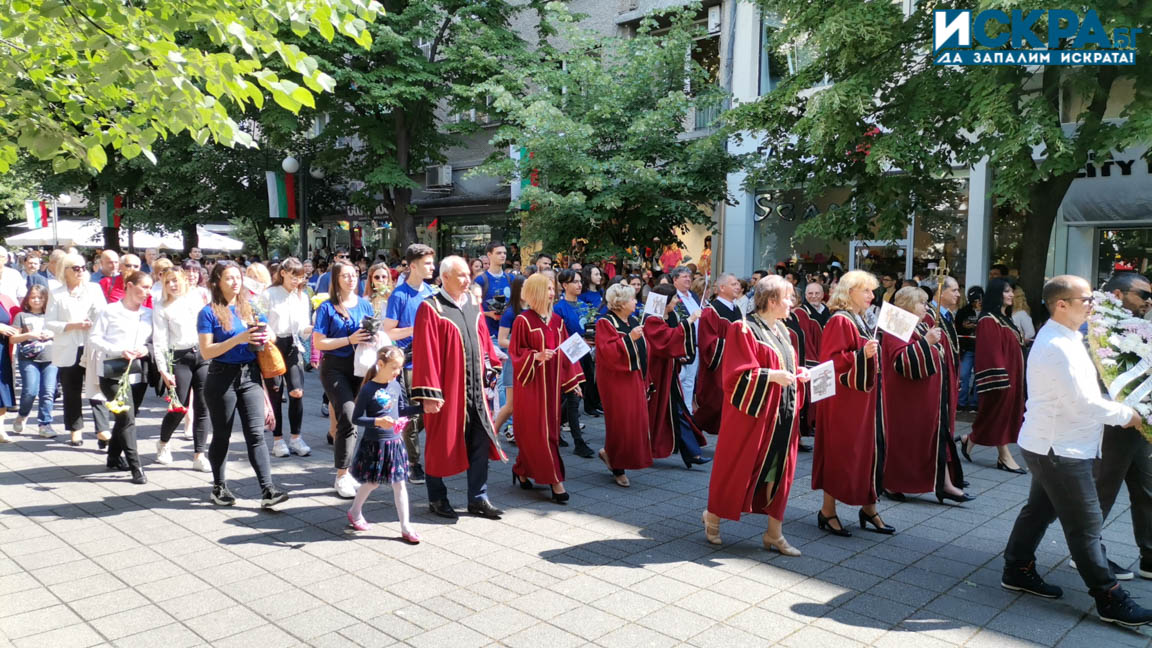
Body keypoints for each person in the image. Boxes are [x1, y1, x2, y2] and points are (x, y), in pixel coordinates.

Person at [1000, 275, 1152, 626]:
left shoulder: (1070, 337)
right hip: (1060, 449)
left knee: (1039, 511)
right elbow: (1084, 403)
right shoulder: (1057, 345)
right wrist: (1130, 415)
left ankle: (1017, 568)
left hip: (1054, 444)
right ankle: (1109, 597)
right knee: (1086, 525)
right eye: (1086, 299)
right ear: (1061, 304)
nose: (1093, 304)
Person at [703, 275, 808, 554]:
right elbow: (735, 376)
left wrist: (798, 373)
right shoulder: (743, 329)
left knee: (779, 472)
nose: (792, 303)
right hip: (754, 415)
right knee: (739, 468)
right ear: (772, 301)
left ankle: (774, 533)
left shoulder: (782, 330)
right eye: (787, 298)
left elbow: (783, 365)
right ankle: (713, 515)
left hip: (783, 413)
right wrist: (772, 376)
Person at [410, 256, 507, 520]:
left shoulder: (473, 303)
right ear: (445, 277)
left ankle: (478, 498)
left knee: (480, 441)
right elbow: (425, 353)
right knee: (440, 443)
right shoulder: (431, 308)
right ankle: (437, 497)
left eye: (468, 275)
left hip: (476, 389)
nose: (467, 280)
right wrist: (429, 393)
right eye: (461, 275)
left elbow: (483, 339)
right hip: (448, 390)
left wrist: (492, 365)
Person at [197, 261, 288, 508]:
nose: (235, 282)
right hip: (221, 377)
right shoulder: (208, 312)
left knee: (256, 434)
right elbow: (207, 351)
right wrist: (239, 338)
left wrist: (267, 335)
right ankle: (219, 487)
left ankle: (268, 490)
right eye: (229, 278)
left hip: (250, 376)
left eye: (238, 277)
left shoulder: (249, 307)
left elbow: (271, 334)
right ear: (217, 282)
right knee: (222, 434)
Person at [813, 270, 894, 536]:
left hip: (862, 399)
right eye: (866, 290)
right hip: (843, 402)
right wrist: (862, 354)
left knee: (868, 450)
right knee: (841, 451)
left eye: (872, 290)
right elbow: (832, 362)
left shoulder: (858, 318)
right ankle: (827, 511)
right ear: (850, 293)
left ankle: (869, 507)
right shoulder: (840, 320)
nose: (872, 295)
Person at [879, 287, 972, 504]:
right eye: (922, 303)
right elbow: (901, 361)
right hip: (907, 400)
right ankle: (892, 483)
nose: (926, 308)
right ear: (909, 305)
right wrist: (926, 342)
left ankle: (944, 483)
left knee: (936, 438)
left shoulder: (919, 325)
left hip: (928, 398)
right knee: (907, 442)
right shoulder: (896, 324)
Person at [1094, 271, 1152, 580]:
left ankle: (1149, 556)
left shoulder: (1140, 326)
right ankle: (1090, 554)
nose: (1149, 302)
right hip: (1111, 422)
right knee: (1103, 489)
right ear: (1118, 295)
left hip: (1141, 422)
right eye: (1144, 295)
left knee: (1147, 488)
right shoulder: (1098, 327)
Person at [510, 274, 585, 503]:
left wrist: (573, 381)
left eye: (553, 289)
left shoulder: (557, 322)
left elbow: (567, 352)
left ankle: (521, 469)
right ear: (535, 292)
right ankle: (555, 481)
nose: (552, 293)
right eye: (548, 289)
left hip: (551, 386)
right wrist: (535, 356)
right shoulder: (523, 320)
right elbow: (516, 353)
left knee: (549, 431)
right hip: (531, 387)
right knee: (538, 433)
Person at [313, 260, 376, 498]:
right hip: (334, 368)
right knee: (348, 417)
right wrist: (349, 339)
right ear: (336, 279)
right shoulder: (327, 307)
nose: (351, 279)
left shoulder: (365, 304)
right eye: (346, 275)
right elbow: (319, 342)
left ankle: (349, 470)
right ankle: (341, 475)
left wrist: (372, 336)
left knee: (355, 419)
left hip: (361, 366)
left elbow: (371, 333)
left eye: (354, 274)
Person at [346, 346, 421, 543]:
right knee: (372, 482)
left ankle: (406, 527)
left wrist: (423, 408)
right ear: (380, 364)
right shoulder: (368, 389)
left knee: (400, 484)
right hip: (375, 444)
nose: (398, 372)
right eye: (394, 367)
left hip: (395, 443)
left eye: (400, 367)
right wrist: (377, 422)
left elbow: (402, 409)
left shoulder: (395, 384)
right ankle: (354, 511)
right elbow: (356, 418)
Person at [89, 270, 153, 484]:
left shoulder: (148, 313)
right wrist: (118, 350)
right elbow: (94, 339)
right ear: (129, 285)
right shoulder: (110, 310)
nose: (148, 292)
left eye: (150, 287)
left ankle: (113, 457)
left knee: (125, 417)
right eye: (144, 287)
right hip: (113, 372)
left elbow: (153, 341)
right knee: (127, 418)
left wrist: (145, 349)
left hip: (137, 373)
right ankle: (136, 467)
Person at [383, 243, 437, 485]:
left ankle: (402, 439)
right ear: (413, 266)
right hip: (409, 361)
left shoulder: (433, 292)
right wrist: (417, 328)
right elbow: (389, 331)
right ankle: (414, 463)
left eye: (433, 263)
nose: (432, 267)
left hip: (432, 359)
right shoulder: (399, 294)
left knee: (431, 409)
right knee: (413, 412)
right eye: (427, 263)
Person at [963, 277, 1027, 473]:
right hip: (1000, 378)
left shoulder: (1005, 318)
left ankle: (969, 440)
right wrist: (1000, 378)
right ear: (996, 294)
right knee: (998, 415)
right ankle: (1004, 456)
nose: (1011, 295)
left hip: (1013, 376)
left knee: (995, 415)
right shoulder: (988, 320)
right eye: (1006, 291)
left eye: (1011, 291)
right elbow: (990, 351)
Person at [151, 267, 212, 471]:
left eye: (176, 280)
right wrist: (163, 369)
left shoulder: (197, 298)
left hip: (202, 354)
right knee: (180, 406)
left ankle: (199, 455)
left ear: (185, 280)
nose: (172, 285)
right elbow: (159, 341)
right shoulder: (161, 307)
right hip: (179, 358)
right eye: (168, 282)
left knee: (203, 405)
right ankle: (163, 443)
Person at [644, 283, 710, 469]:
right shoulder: (651, 320)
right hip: (657, 375)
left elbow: (671, 339)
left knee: (677, 410)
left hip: (669, 373)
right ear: (665, 301)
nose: (677, 301)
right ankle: (691, 453)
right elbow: (665, 340)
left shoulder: (669, 316)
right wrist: (689, 321)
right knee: (669, 411)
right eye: (673, 298)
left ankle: (692, 453)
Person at [46, 252, 108, 447]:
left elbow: (104, 315)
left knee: (97, 387)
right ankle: (75, 429)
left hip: (92, 345)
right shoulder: (56, 292)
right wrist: (72, 325)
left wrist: (93, 321)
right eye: (75, 268)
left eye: (83, 267)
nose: (80, 271)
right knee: (71, 390)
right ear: (65, 271)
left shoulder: (94, 289)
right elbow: (49, 322)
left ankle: (102, 429)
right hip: (68, 347)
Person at [595, 283, 651, 488]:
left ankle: (610, 453)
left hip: (634, 377)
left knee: (634, 420)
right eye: (632, 298)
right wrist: (630, 338)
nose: (636, 302)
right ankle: (617, 466)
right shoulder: (606, 322)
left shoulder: (633, 320)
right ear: (621, 303)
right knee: (620, 422)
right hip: (615, 381)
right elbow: (607, 353)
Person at [262, 258, 313, 459]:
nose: (296, 281)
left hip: (293, 344)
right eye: (293, 276)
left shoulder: (302, 296)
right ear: (283, 273)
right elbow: (259, 319)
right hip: (273, 344)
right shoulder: (269, 294)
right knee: (275, 392)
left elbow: (303, 327)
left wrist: (312, 328)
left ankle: (296, 437)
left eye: (300, 277)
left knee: (296, 391)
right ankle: (277, 439)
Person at [693, 273, 744, 436]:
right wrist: (734, 346)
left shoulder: (736, 309)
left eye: (738, 284)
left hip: (736, 366)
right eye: (733, 284)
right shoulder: (711, 312)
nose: (738, 287)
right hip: (719, 368)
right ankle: (692, 432)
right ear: (722, 288)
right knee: (714, 404)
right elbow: (708, 344)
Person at [553, 269, 595, 457]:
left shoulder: (584, 306)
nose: (579, 285)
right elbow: (559, 337)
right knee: (572, 398)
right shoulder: (559, 308)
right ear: (564, 285)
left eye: (580, 281)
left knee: (576, 396)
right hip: (569, 358)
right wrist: (580, 342)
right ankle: (578, 441)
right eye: (575, 282)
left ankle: (555, 427)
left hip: (585, 355)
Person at [10, 286, 57, 438]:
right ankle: (22, 414)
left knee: (48, 392)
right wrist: (30, 335)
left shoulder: (52, 315)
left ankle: (45, 424)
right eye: (33, 297)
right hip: (28, 359)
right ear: (27, 299)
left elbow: (63, 333)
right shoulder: (21, 316)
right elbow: (13, 338)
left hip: (51, 358)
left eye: (40, 297)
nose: (36, 300)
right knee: (30, 391)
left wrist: (52, 334)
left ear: (46, 299)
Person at [493, 276, 527, 444]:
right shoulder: (510, 312)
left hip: (528, 360)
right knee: (510, 405)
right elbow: (501, 340)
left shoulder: (533, 309)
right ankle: (493, 432)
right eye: (525, 287)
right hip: (514, 361)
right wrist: (522, 345)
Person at [669, 267, 702, 414]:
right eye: (684, 277)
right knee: (680, 381)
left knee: (690, 382)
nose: (688, 279)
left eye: (689, 276)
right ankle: (678, 414)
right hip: (682, 347)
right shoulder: (672, 298)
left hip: (696, 346)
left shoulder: (693, 295)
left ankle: (687, 414)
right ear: (675, 280)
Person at [955, 286, 982, 412]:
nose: (977, 303)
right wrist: (965, 327)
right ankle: (961, 402)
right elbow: (957, 328)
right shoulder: (963, 311)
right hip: (967, 348)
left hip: (982, 348)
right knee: (963, 374)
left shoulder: (986, 312)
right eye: (974, 301)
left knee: (979, 375)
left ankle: (975, 403)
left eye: (979, 300)